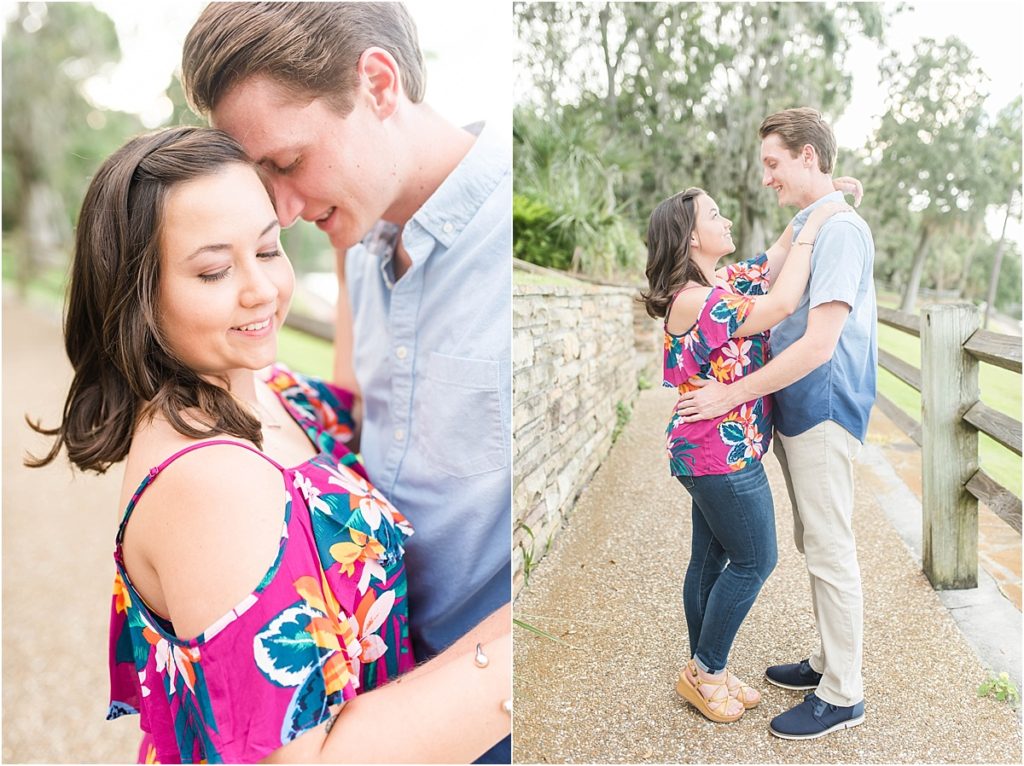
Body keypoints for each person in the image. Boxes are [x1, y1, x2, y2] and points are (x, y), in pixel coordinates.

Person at [27, 126, 510, 764]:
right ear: (139, 296)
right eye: (214, 270)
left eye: (268, 249)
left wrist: (345, 236)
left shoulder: (263, 389)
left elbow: (346, 405)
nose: (261, 290)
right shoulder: (207, 484)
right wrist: (511, 655)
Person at [179, 9, 511, 758]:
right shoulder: (356, 239)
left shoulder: (513, 239)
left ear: (378, 85)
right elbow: (355, 418)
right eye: (261, 177)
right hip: (374, 671)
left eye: (288, 163)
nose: (282, 211)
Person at [676, 107, 876, 740]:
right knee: (814, 543)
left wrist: (728, 392)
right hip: (793, 408)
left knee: (829, 548)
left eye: (773, 163)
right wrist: (817, 208)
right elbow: (780, 262)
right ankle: (824, 663)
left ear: (807, 157)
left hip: (820, 404)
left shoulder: (842, 233)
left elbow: (818, 343)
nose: (766, 178)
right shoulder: (819, 224)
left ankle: (843, 693)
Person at [642, 180, 853, 723]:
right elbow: (783, 302)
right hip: (719, 458)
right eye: (715, 215)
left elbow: (776, 254)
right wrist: (822, 221)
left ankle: (705, 666)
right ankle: (707, 671)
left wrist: (818, 203)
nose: (727, 220)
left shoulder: (724, 280)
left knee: (709, 560)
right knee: (757, 559)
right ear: (691, 237)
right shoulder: (698, 299)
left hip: (714, 453)